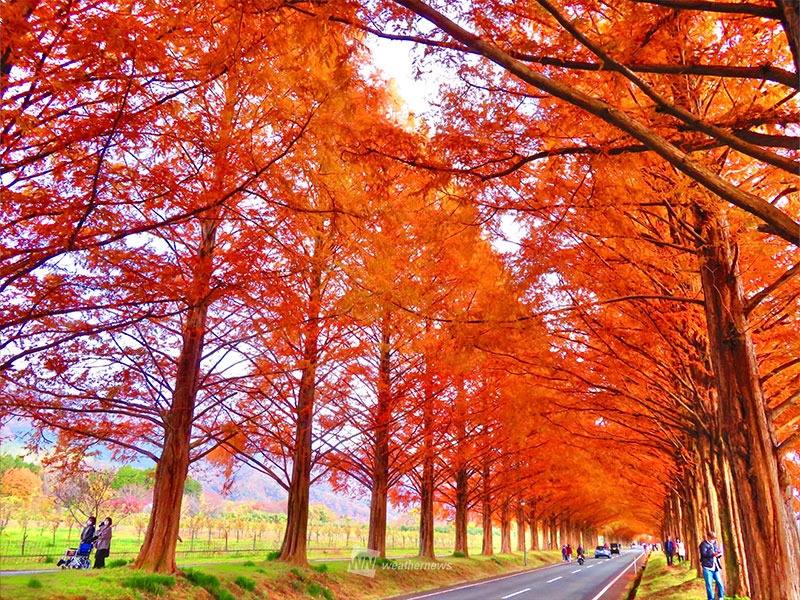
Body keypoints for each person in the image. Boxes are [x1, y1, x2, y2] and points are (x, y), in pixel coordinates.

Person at [699, 531, 724, 600]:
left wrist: (719, 554)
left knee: (720, 582)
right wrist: (712, 554)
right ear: (708, 537)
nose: (713, 540)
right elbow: (704, 554)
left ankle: (721, 597)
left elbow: (716, 551)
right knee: (709, 584)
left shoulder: (714, 544)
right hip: (707, 567)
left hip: (715, 567)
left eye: (714, 538)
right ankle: (711, 598)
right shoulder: (703, 545)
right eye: (712, 538)